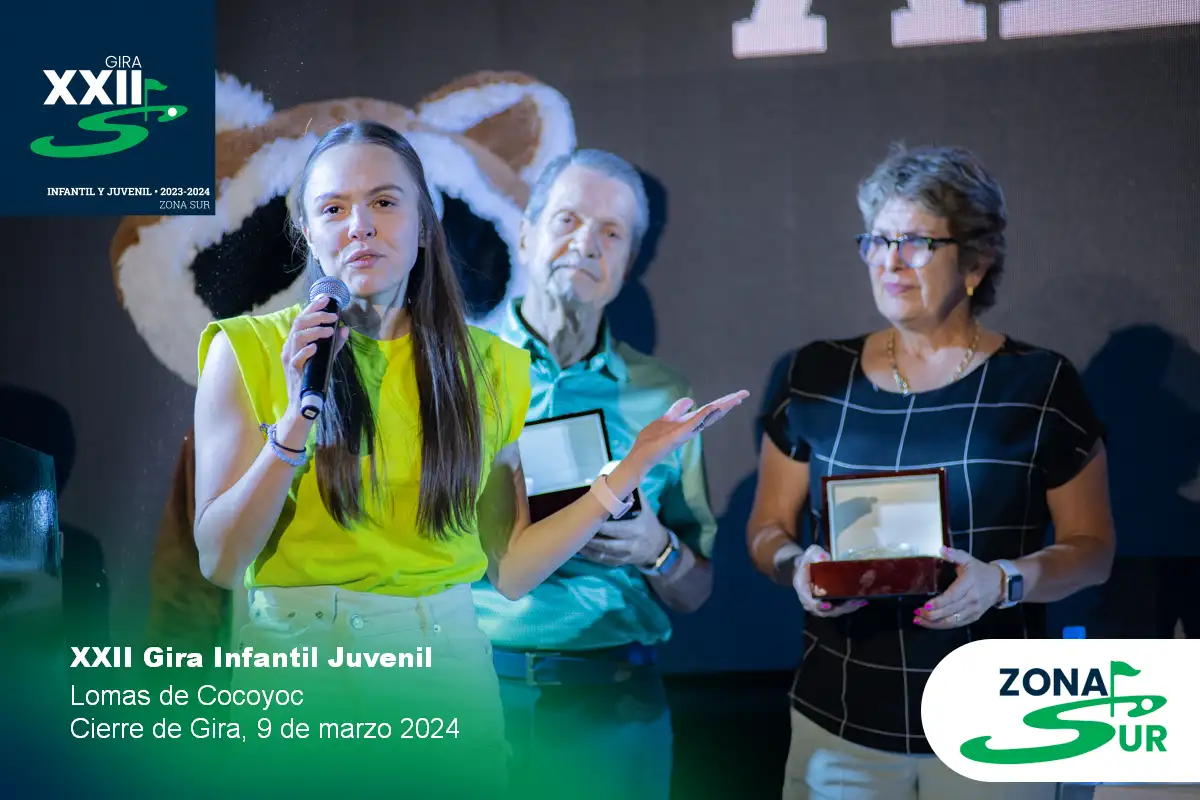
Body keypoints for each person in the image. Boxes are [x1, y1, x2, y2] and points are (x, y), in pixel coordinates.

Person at [191, 121, 747, 795]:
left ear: (425, 223)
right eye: (334, 208)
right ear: (308, 232)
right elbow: (221, 562)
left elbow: (510, 568)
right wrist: (294, 420)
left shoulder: (490, 367)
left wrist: (628, 470)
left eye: (385, 202)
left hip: (446, 673)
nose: (360, 225)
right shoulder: (246, 350)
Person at [746, 144, 1115, 800]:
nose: (888, 261)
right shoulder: (814, 375)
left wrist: (1005, 580)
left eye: (915, 243)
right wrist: (796, 566)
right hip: (843, 725)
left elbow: (1093, 551)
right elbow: (766, 529)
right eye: (877, 240)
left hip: (998, 723)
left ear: (975, 262)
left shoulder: (1040, 383)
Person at [470, 149, 718, 800]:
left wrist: (657, 549)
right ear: (525, 235)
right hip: (467, 695)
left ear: (627, 264)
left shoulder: (663, 397)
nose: (586, 244)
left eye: (611, 233)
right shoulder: (450, 370)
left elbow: (697, 589)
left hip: (615, 712)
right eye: (568, 220)